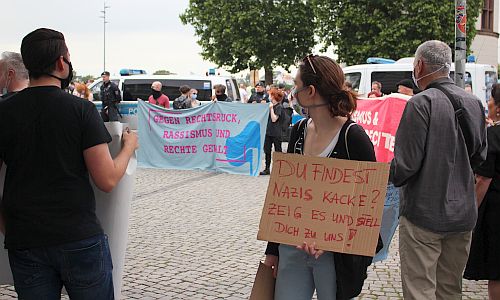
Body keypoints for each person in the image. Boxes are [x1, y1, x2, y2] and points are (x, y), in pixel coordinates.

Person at [0, 28, 138, 299]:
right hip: (78, 238)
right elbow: (107, 179)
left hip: (25, 239)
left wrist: (8, 225)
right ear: (62, 63)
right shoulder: (80, 110)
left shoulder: (4, 112)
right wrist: (128, 148)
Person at [264, 55, 381, 300]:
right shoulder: (298, 132)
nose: (293, 92)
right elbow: (284, 197)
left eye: (296, 86)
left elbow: (370, 206)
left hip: (334, 255)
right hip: (291, 247)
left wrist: (331, 239)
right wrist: (273, 250)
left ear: (311, 91)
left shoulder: (353, 137)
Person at [390, 40, 487, 300]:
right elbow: (481, 156)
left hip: (424, 213)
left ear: (419, 65)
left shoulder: (420, 104)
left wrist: (386, 172)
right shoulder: (475, 103)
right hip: (463, 214)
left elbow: (405, 166)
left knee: (420, 290)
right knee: (450, 289)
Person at [464, 83, 500, 300]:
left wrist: (471, 212)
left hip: (496, 211)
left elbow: (483, 179)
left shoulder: (493, 135)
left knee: (497, 272)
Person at [259, 88, 284, 175]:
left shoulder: (279, 107)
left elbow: (274, 119)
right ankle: (267, 168)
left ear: (273, 96)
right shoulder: (270, 106)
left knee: (278, 151)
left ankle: (279, 169)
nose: (269, 96)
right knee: (267, 151)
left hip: (276, 133)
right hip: (268, 132)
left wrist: (271, 109)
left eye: (270, 95)